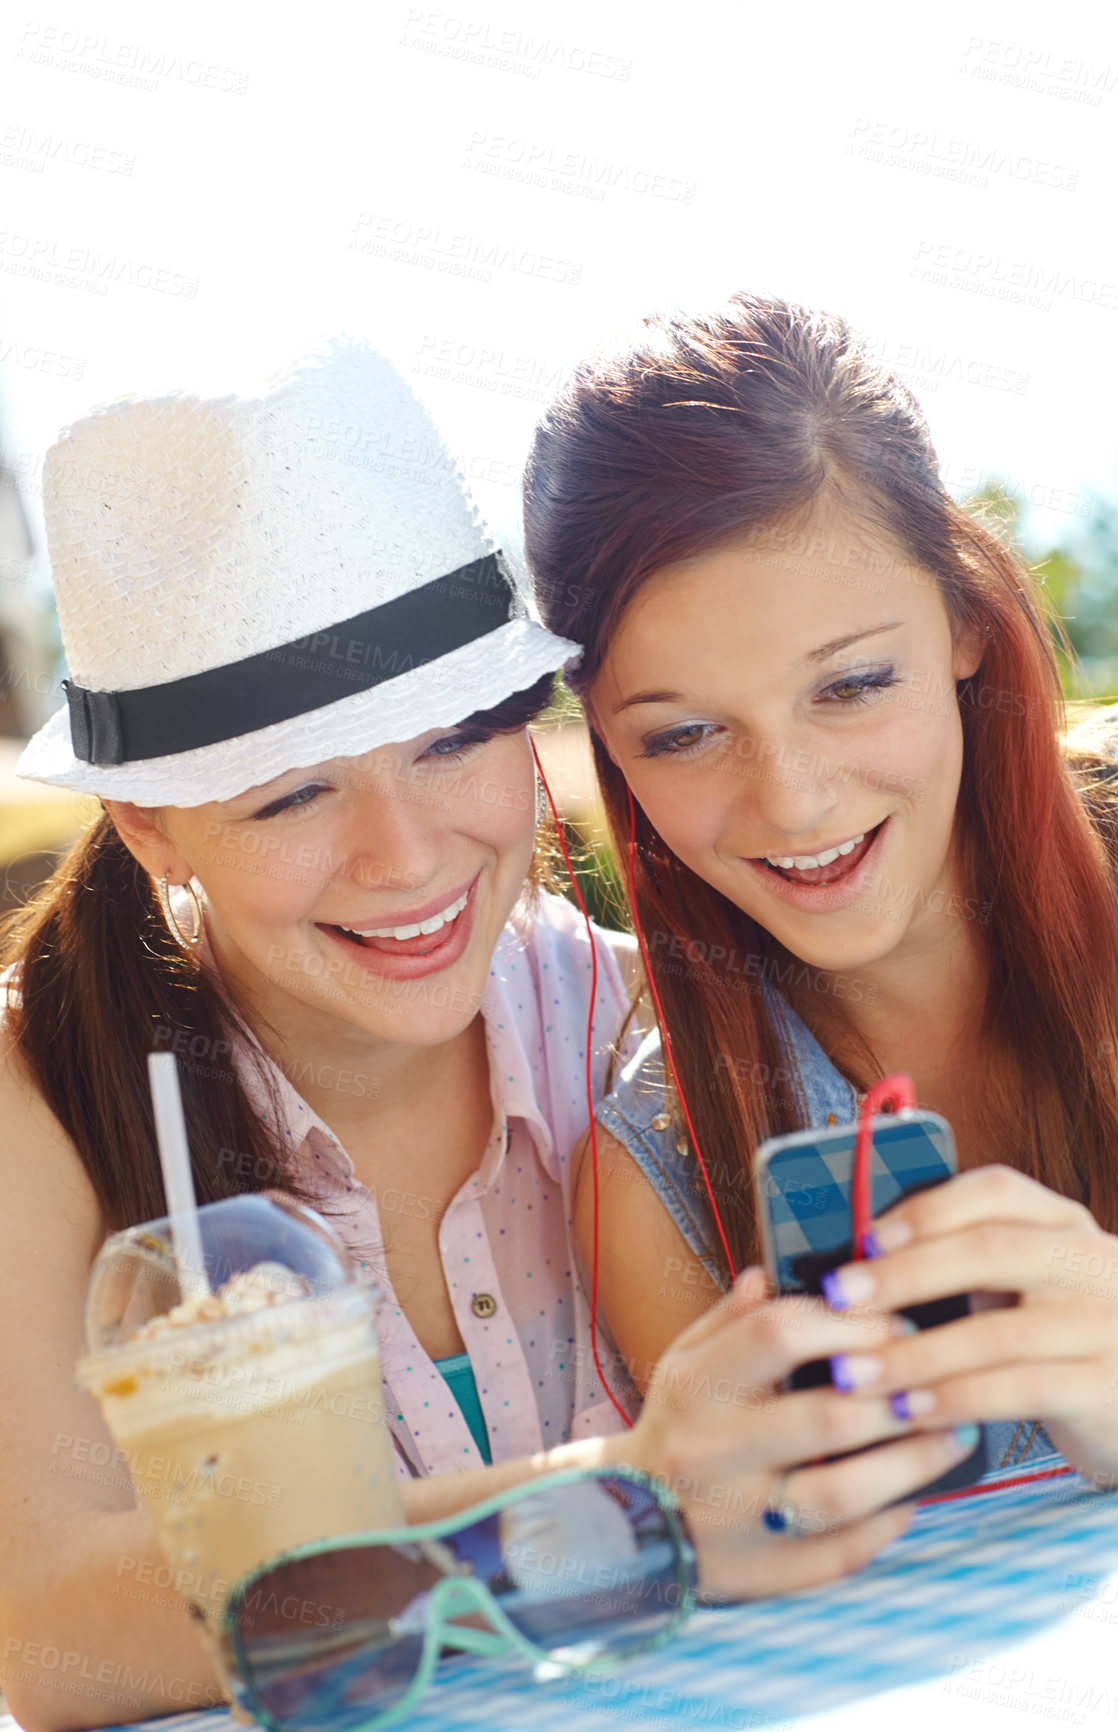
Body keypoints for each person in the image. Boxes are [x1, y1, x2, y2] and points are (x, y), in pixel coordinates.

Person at [0, 341, 970, 1732]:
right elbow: (55, 1642)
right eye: (292, 800)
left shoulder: (655, 1030)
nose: (406, 858)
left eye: (452, 741)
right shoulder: (35, 1096)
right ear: (149, 823)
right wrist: (627, 1511)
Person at [525, 292, 1118, 1497]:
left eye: (852, 685)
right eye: (685, 734)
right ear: (604, 741)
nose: (796, 801)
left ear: (965, 619)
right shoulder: (665, 1168)